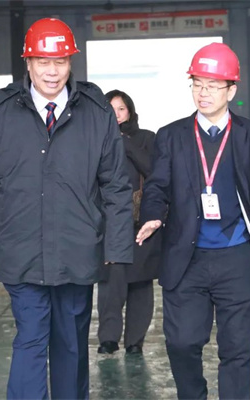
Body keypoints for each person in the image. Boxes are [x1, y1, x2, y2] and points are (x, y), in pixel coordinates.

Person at [0, 18, 133, 400]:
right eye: (42, 61)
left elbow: (117, 186)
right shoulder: (1, 111)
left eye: (60, 61)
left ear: (71, 62)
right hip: (20, 248)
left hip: (77, 249)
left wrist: (117, 248)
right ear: (28, 62)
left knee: (70, 342)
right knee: (31, 337)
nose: (52, 71)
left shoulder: (96, 112)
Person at [136, 42, 250, 400]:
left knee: (237, 348)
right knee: (182, 341)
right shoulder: (171, 136)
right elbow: (156, 186)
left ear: (231, 91)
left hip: (236, 256)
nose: (202, 93)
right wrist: (153, 215)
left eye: (212, 86)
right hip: (187, 257)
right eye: (197, 84)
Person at [97, 90, 161, 356]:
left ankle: (135, 341)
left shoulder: (146, 138)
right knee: (111, 280)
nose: (116, 115)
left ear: (130, 112)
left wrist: (123, 142)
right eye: (110, 109)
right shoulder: (96, 140)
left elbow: (154, 171)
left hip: (140, 221)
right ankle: (108, 338)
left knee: (140, 281)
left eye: (121, 109)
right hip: (109, 220)